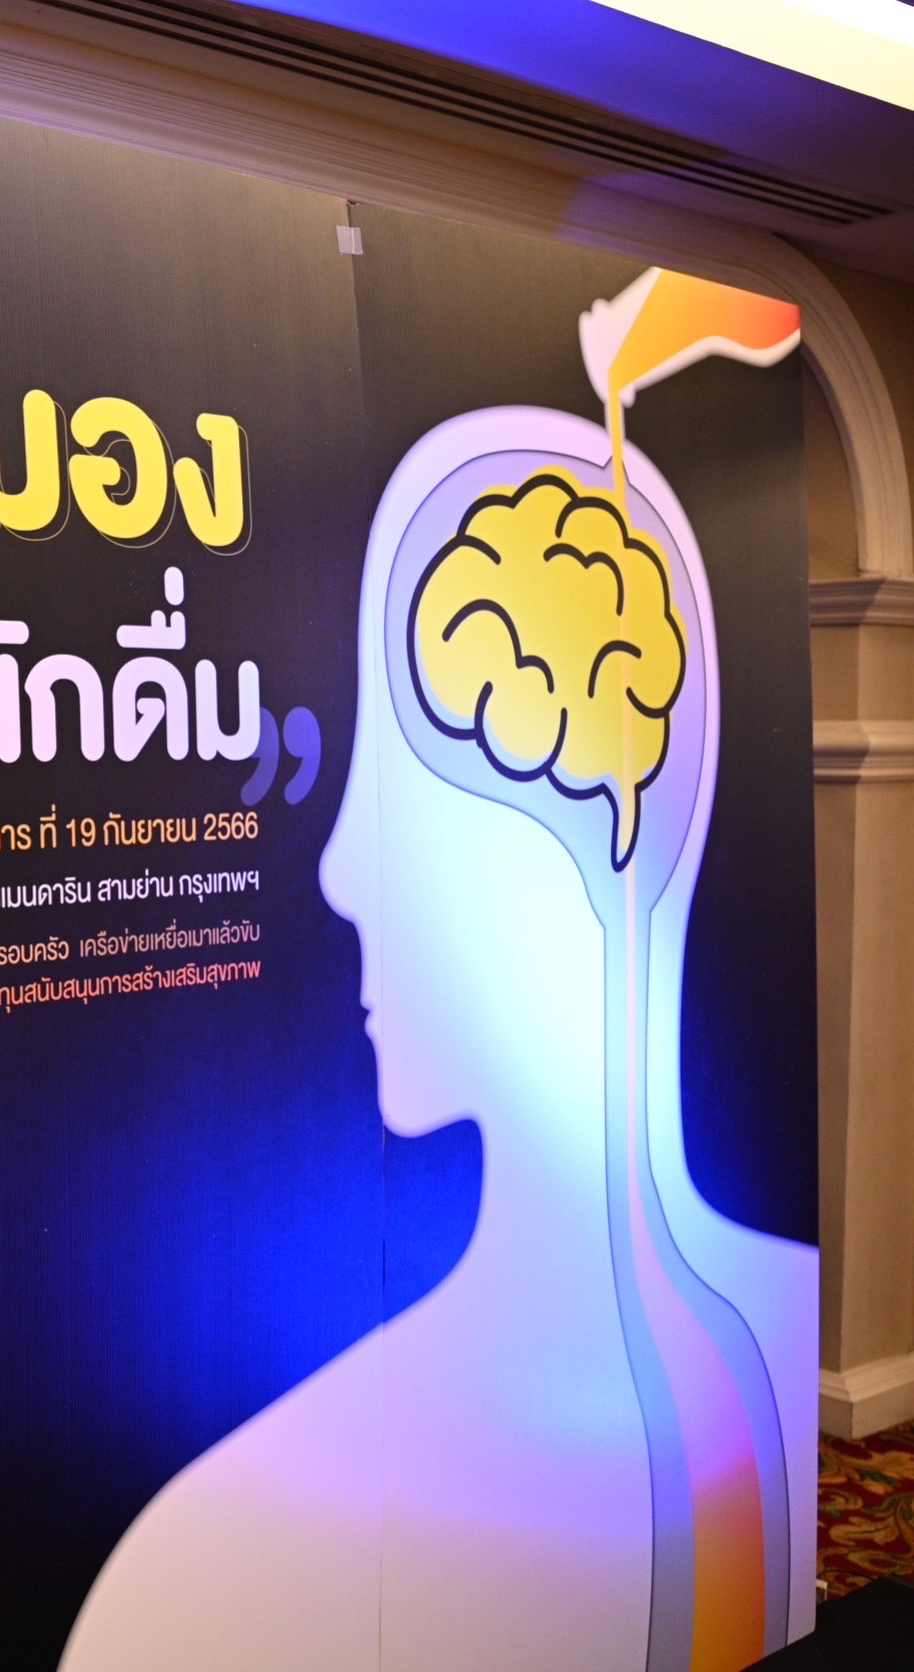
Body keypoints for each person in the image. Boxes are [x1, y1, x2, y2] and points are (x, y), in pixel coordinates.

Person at [62, 405, 814, 1671]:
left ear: (601, 837)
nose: (341, 867)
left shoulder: (211, 1555)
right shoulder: (770, 1340)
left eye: (400, 781)